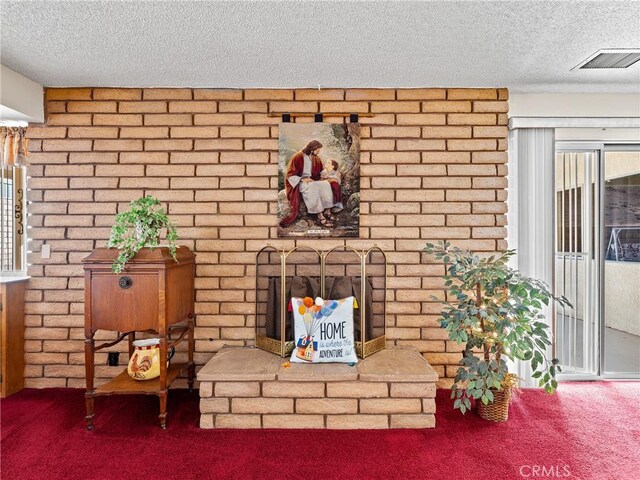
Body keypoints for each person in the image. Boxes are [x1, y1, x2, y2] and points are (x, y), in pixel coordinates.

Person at [280, 140, 335, 228]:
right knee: (313, 186)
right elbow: (290, 175)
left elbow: (318, 172)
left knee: (325, 184)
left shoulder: (315, 158)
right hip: (300, 183)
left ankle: (327, 210)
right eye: (317, 150)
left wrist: (323, 174)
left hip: (311, 181)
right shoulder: (297, 156)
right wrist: (302, 179)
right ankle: (320, 215)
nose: (318, 152)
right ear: (312, 148)